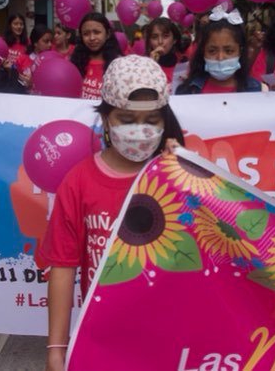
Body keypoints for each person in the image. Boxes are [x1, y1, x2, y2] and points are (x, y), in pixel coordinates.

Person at [40, 54, 184, 371]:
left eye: (151, 120)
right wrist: (56, 349)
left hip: (168, 340)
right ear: (106, 119)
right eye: (127, 119)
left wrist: (185, 173)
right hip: (102, 339)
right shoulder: (78, 182)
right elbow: (62, 269)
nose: (140, 130)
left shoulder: (176, 175)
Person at [176, 6, 263, 94]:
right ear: (203, 51)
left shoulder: (256, 90)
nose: (220, 57)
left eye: (229, 51)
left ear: (240, 51)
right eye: (212, 51)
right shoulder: (186, 91)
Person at [70, 13, 123, 100]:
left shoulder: (119, 65)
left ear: (108, 34)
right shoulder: (75, 62)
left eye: (97, 32)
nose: (91, 38)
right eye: (86, 34)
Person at [145, 17, 182, 83]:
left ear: (174, 40)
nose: (160, 41)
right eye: (154, 37)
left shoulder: (184, 63)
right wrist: (150, 66)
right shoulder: (142, 66)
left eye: (165, 36)